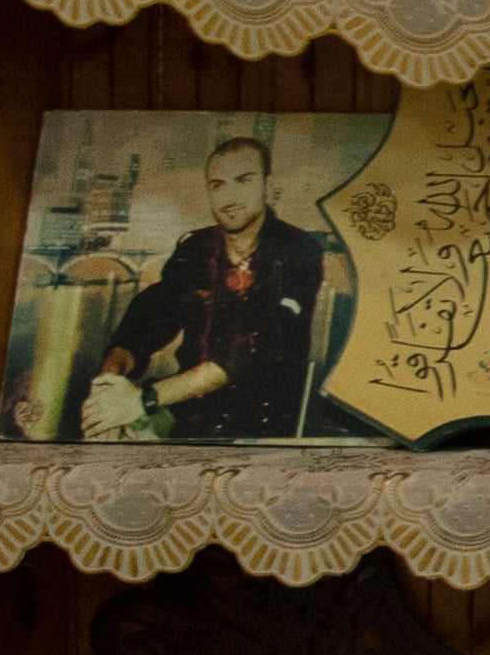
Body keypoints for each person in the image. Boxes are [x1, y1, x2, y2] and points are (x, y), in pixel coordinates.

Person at [79, 133, 347, 444]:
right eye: (217, 185)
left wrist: (141, 402)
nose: (229, 198)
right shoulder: (197, 248)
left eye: (243, 181)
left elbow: (245, 351)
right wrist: (109, 385)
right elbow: (149, 318)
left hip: (260, 427)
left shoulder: (298, 250)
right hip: (188, 413)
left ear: (267, 185)